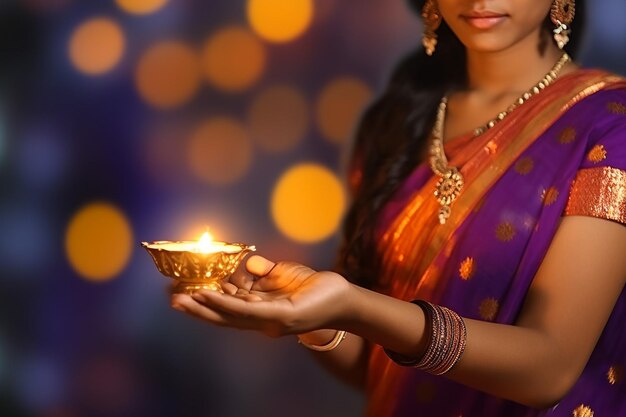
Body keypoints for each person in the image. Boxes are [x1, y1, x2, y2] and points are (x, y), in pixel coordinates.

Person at [171, 0, 626, 415]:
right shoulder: (399, 123)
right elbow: (377, 369)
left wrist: (353, 307)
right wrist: (310, 321)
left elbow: (548, 370)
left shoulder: (610, 126)